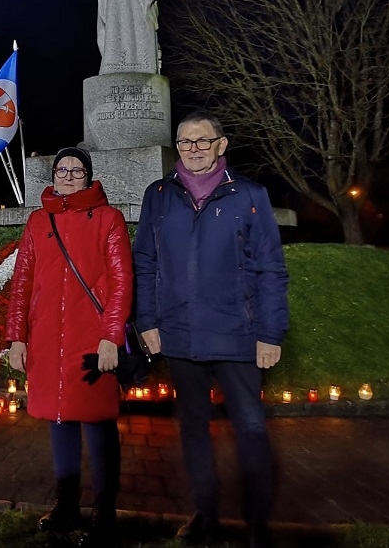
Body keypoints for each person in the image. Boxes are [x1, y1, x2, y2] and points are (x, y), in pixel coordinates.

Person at [133, 110, 289, 548]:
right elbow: (145, 262)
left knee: (251, 427)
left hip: (238, 333)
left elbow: (270, 268)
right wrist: (147, 321)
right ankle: (205, 514)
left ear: (221, 145)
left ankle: (257, 523)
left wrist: (271, 332)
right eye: (185, 141)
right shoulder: (158, 195)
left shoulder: (250, 195)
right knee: (193, 427)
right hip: (180, 333)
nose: (193, 149)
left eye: (202, 140)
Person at [6, 147, 133, 548]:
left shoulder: (109, 219)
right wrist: (17, 337)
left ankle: (105, 513)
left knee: (97, 420)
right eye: (62, 169)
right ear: (54, 176)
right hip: (46, 338)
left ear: (89, 176)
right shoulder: (38, 221)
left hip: (91, 338)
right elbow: (22, 282)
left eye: (78, 170)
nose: (69, 175)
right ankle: (66, 505)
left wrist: (111, 336)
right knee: (58, 417)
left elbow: (121, 281)